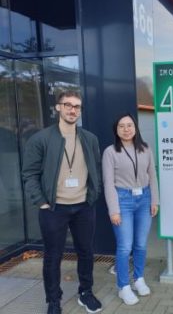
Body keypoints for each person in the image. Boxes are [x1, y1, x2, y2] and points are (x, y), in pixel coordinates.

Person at [22, 91, 102, 314]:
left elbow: (95, 169)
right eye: (67, 105)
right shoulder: (41, 139)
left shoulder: (90, 138)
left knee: (86, 252)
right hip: (53, 209)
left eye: (77, 106)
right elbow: (29, 174)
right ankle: (53, 300)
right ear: (58, 108)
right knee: (53, 256)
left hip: (83, 206)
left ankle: (85, 292)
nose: (72, 110)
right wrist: (41, 202)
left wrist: (93, 195)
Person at [102, 113, 159, 305]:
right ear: (116, 130)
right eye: (121, 126)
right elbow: (108, 183)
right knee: (125, 246)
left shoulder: (146, 148)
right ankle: (123, 287)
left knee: (141, 244)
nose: (126, 129)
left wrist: (154, 201)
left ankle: (139, 279)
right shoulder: (110, 152)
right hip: (122, 200)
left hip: (144, 199)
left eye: (129, 125)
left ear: (135, 127)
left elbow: (152, 175)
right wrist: (113, 210)